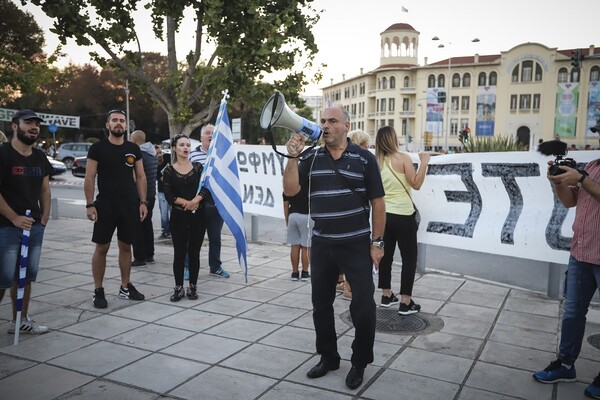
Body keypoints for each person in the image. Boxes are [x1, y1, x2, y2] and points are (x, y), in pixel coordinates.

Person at [283, 105, 385, 390]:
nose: (325, 126)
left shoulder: (364, 159)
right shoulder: (312, 158)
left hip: (356, 244)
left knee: (363, 305)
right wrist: (292, 159)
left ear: (346, 126)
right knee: (321, 305)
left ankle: (360, 361)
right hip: (324, 243)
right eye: (323, 121)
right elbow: (291, 191)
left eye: (332, 121)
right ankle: (328, 357)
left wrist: (377, 243)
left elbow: (378, 203)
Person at [533, 125, 600, 399]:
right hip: (580, 253)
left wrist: (581, 179)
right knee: (572, 314)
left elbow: (586, 187)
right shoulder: (593, 165)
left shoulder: (587, 172)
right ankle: (565, 363)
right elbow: (571, 202)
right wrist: (558, 182)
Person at [84, 109, 147, 308]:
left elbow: (141, 177)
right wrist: (90, 204)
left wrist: (143, 202)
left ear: (126, 126)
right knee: (102, 247)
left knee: (126, 246)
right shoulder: (97, 148)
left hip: (129, 204)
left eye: (122, 121)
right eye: (115, 121)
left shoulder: (133, 149)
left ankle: (125, 287)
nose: (118, 123)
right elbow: (89, 177)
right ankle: (98, 290)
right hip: (105, 205)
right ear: (108, 125)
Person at [0, 109, 51, 334]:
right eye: (28, 122)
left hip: (34, 226)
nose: (34, 127)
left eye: (36, 124)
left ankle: (19, 320)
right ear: (14, 126)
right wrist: (14, 217)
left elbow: (45, 188)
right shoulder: (3, 154)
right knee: (2, 279)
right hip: (6, 227)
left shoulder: (40, 156)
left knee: (26, 277)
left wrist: (44, 218)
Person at [375, 126, 430, 313]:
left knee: (386, 256)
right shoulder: (403, 158)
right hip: (403, 214)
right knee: (409, 258)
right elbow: (416, 184)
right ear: (393, 139)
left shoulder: (375, 162)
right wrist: (424, 162)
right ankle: (406, 302)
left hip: (383, 215)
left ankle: (386, 294)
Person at [163, 134, 209, 301]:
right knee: (179, 253)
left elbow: (206, 188)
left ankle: (193, 287)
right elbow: (169, 196)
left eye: (188, 145)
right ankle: (179, 287)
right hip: (178, 217)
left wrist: (195, 201)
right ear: (174, 148)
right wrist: (187, 203)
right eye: (181, 145)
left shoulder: (198, 167)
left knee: (194, 252)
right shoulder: (168, 170)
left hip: (198, 216)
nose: (185, 148)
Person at [189, 124, 230, 278]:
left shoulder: (222, 157)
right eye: (207, 133)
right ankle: (188, 267)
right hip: (197, 203)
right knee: (193, 238)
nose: (210, 135)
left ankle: (215, 267)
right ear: (201, 138)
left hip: (215, 203)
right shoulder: (192, 155)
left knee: (215, 237)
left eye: (213, 133)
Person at [130, 130, 158, 266]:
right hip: (151, 195)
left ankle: (139, 257)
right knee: (147, 224)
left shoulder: (138, 155)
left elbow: (135, 178)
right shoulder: (152, 153)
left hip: (139, 195)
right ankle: (149, 254)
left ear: (134, 141)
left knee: (137, 227)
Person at [282, 183, 312, 282]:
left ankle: (294, 273)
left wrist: (287, 219)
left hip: (293, 215)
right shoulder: (310, 185)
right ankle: (305, 272)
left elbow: (286, 206)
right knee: (306, 246)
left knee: (294, 245)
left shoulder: (289, 186)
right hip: (306, 216)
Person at [155, 144, 171, 238]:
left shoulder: (168, 157)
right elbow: (163, 179)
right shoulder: (155, 166)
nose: (159, 155)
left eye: (160, 152)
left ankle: (172, 230)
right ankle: (165, 230)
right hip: (162, 191)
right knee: (164, 214)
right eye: (157, 154)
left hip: (173, 190)